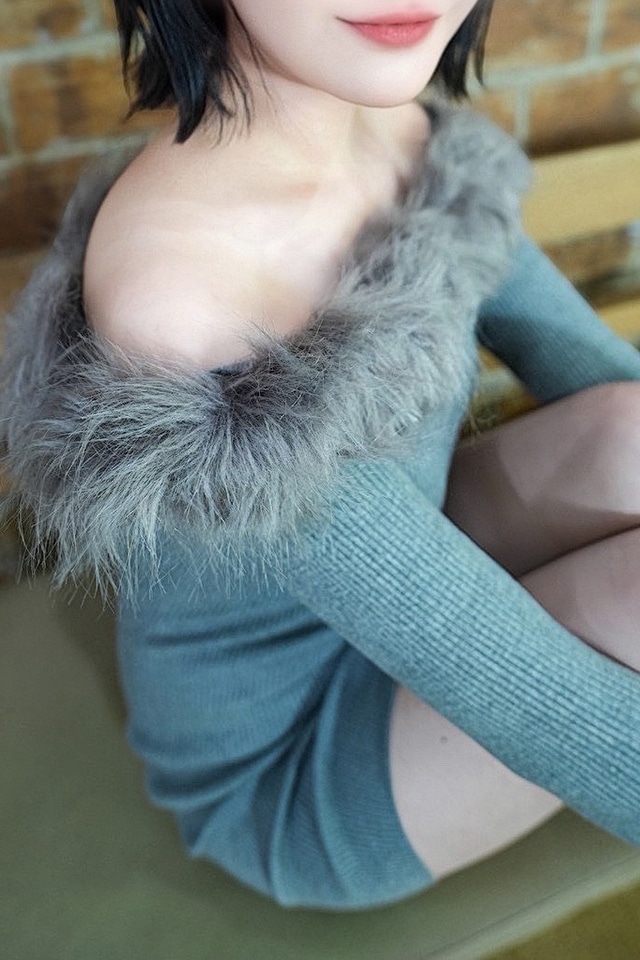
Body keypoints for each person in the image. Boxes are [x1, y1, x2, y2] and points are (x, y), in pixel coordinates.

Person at [2, 0, 640, 910]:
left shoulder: (397, 129)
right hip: (297, 758)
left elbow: (593, 367)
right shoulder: (185, 304)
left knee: (627, 429)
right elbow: (543, 703)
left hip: (419, 576)